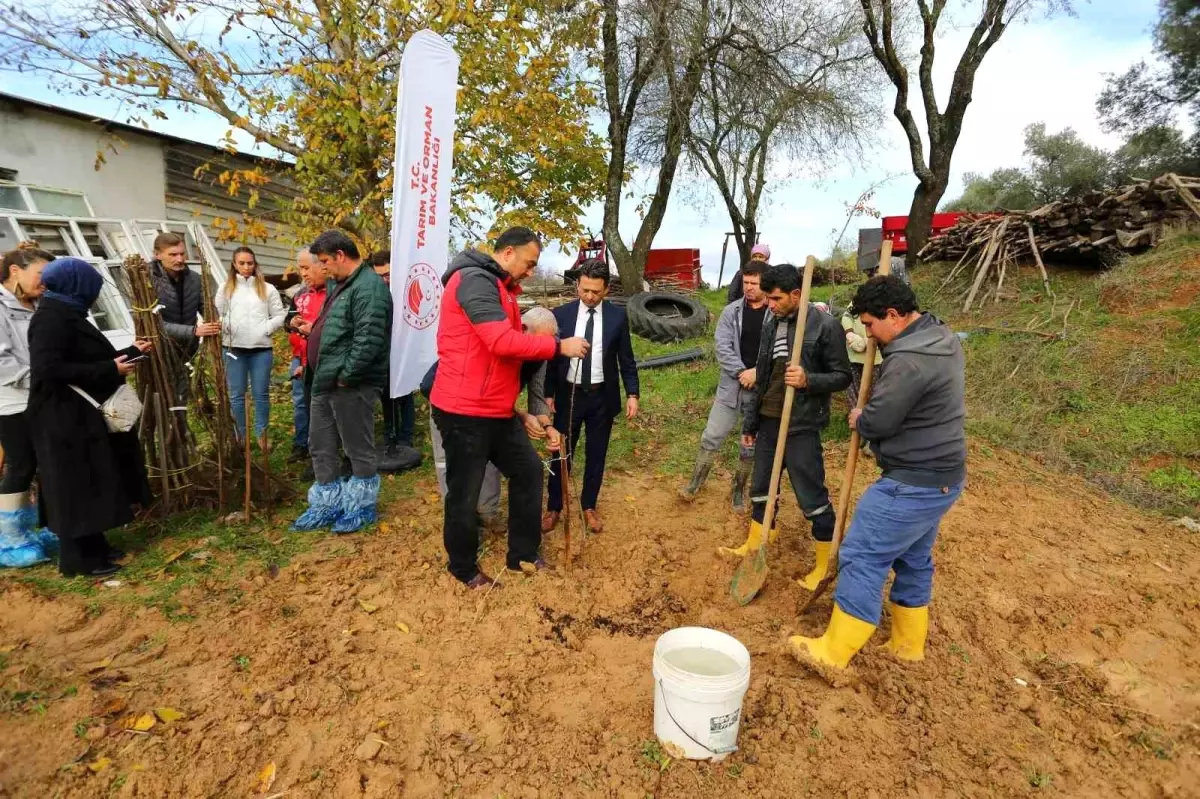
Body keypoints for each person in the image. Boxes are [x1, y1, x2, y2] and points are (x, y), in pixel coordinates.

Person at [790, 276, 966, 670]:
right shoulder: (941, 336)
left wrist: (861, 417)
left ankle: (834, 652)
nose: (868, 335)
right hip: (944, 476)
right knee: (913, 557)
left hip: (912, 481)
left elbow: (880, 421)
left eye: (870, 325)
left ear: (893, 315)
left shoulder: (907, 360)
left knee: (862, 554)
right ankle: (907, 643)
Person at [431, 226, 589, 589]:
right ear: (506, 254)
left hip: (495, 411)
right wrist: (558, 347)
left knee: (528, 471)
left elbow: (517, 368)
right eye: (529, 263)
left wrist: (533, 416)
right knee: (465, 492)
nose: (531, 271)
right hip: (464, 411)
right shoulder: (473, 280)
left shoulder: (501, 289)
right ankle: (462, 567)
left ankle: (523, 554)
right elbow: (501, 342)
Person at [720, 264, 852, 591]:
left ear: (796, 294)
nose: (770, 304)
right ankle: (756, 545)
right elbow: (763, 375)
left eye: (776, 298)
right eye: (768, 298)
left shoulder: (825, 326)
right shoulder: (772, 322)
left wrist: (809, 380)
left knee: (811, 496)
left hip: (801, 424)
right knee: (761, 489)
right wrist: (751, 422)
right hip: (768, 419)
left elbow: (842, 376)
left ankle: (823, 565)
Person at [27, 258, 153, 577]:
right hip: (61, 418)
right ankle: (79, 560)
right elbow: (48, 369)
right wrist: (109, 368)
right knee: (73, 486)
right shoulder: (49, 320)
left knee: (89, 480)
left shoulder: (67, 312)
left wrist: (129, 352)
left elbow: (82, 356)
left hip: (77, 416)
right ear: (76, 285)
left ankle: (96, 547)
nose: (95, 294)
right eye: (91, 287)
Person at [422, 306, 561, 527]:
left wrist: (547, 426)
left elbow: (537, 394)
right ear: (523, 329)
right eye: (542, 341)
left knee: (491, 458)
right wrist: (520, 415)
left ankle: (487, 512)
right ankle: (461, 521)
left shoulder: (539, 355)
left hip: (493, 411)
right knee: (452, 464)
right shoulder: (494, 343)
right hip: (448, 406)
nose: (544, 348)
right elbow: (478, 396)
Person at [292, 231, 392, 534]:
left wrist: (347, 376)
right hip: (324, 379)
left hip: (350, 384)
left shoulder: (369, 287)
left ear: (340, 255)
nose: (322, 267)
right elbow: (338, 327)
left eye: (324, 261)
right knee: (320, 443)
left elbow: (368, 340)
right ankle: (327, 502)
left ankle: (360, 506)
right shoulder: (341, 285)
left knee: (356, 446)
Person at [542, 258, 639, 535]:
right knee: (561, 453)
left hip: (601, 398)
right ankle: (554, 507)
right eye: (584, 290)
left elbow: (626, 359)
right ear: (577, 286)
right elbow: (551, 359)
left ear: (606, 289)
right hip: (568, 395)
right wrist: (548, 393)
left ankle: (589, 506)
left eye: (596, 291)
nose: (589, 296)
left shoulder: (617, 317)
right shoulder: (561, 315)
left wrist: (632, 393)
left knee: (597, 454)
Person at [679, 259, 767, 511]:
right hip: (731, 388)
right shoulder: (732, 312)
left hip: (760, 391)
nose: (748, 287)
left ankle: (738, 490)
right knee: (712, 435)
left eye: (754, 283)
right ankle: (695, 483)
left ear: (765, 284)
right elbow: (723, 347)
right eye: (746, 282)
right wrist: (741, 372)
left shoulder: (775, 314)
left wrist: (757, 373)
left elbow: (778, 353)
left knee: (749, 442)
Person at [0, 247, 58, 567]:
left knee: (48, 462)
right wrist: (41, 378)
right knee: (21, 465)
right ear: (15, 271)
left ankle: (47, 526)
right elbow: (2, 362)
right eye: (40, 275)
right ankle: (10, 538)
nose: (45, 282)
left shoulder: (38, 304)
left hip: (42, 396)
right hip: (12, 400)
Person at [214, 246, 286, 445]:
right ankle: (241, 436)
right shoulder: (225, 288)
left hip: (261, 350)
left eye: (250, 263)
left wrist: (266, 328)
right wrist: (226, 326)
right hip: (233, 349)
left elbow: (279, 315)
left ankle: (262, 434)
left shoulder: (267, 288)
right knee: (236, 395)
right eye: (242, 263)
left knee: (260, 394)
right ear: (234, 264)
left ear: (255, 264)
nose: (246, 267)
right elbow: (218, 313)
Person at [149, 232, 219, 405]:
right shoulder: (148, 281)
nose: (179, 259)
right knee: (162, 397)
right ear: (157, 255)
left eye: (182, 254)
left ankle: (183, 421)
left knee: (183, 394)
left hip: (187, 348)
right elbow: (152, 324)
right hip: (159, 349)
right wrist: (193, 331)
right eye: (173, 255)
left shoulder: (194, 279)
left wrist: (215, 322)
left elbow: (206, 307)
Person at [369, 250, 417, 469]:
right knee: (387, 395)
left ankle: (406, 437)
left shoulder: (405, 289)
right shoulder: (373, 292)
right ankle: (389, 435)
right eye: (379, 276)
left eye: (387, 274)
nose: (384, 280)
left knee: (405, 395)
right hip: (383, 352)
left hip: (403, 351)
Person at [285, 248, 326, 463]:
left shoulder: (332, 294)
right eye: (300, 268)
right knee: (301, 402)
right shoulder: (300, 294)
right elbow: (288, 321)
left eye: (306, 268)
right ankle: (302, 444)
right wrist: (291, 322)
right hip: (299, 356)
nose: (303, 273)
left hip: (320, 359)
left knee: (320, 405)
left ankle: (322, 451)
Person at [841, 307, 881, 409]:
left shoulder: (885, 302)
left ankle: (871, 414)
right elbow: (847, 317)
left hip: (876, 359)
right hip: (854, 356)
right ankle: (855, 413)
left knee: (874, 391)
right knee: (853, 390)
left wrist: (876, 338)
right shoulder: (857, 303)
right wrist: (850, 333)